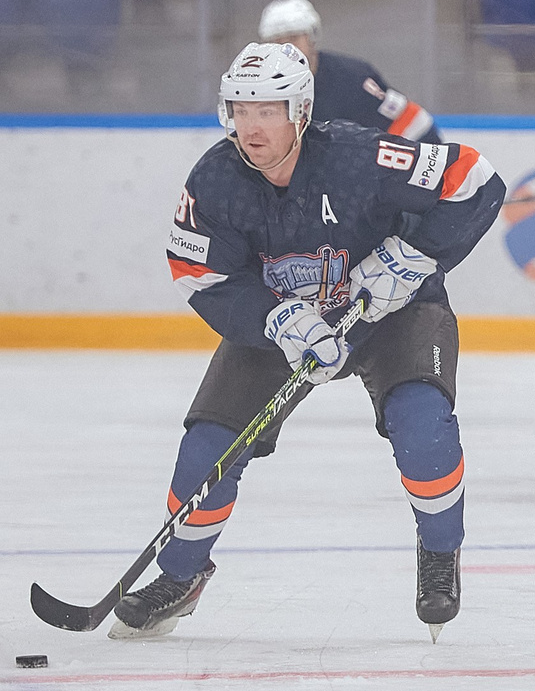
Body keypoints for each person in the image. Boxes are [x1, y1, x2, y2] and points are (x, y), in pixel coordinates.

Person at [114, 41, 504, 642]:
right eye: (242, 110)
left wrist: (415, 257)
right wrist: (278, 320)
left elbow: (475, 180)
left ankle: (438, 554)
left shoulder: (356, 157)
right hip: (284, 327)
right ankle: (181, 575)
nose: (252, 127)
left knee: (424, 429)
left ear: (299, 111)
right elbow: (203, 275)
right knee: (206, 452)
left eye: (268, 110)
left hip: (388, 312)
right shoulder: (215, 182)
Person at [257, 0, 440, 143]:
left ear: (312, 37)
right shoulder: (257, 89)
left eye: (293, 38)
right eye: (276, 42)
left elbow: (413, 122)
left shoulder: (355, 78)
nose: (286, 49)